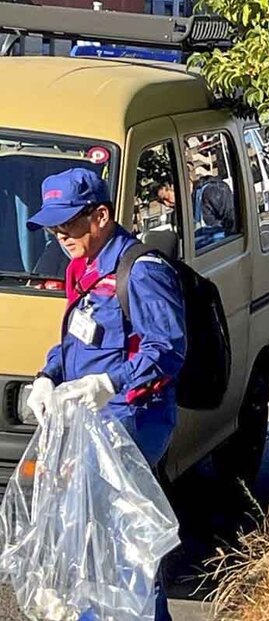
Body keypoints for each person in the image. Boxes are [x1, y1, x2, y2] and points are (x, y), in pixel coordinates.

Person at [22, 168, 186, 621]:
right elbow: (76, 341)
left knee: (119, 544)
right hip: (90, 421)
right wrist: (47, 375)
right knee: (92, 539)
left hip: (132, 420)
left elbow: (168, 348)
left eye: (68, 223)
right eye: (52, 226)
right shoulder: (83, 268)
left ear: (100, 215)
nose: (59, 234)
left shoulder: (141, 270)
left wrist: (110, 383)